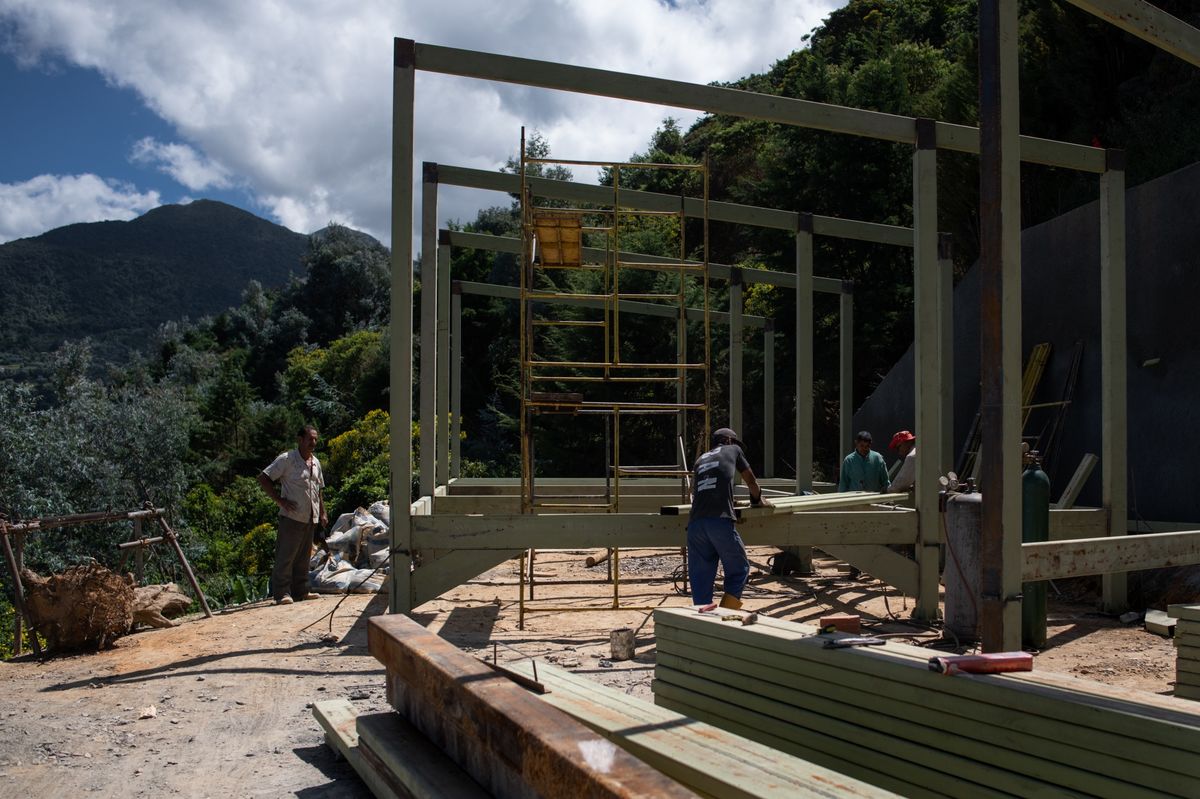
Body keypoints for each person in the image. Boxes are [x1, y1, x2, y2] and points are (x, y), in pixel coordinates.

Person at [687, 427, 772, 612]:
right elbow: (751, 480)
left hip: (695, 525)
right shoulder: (733, 449)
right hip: (719, 521)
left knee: (701, 577)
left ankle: (701, 618)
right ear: (727, 440)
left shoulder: (700, 459)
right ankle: (727, 612)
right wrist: (758, 500)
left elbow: (702, 489)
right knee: (739, 568)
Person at [258, 425, 328, 605]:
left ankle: (301, 590)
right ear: (300, 440)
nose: (313, 443)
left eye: (315, 439)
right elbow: (264, 478)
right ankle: (282, 593)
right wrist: (280, 501)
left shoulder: (316, 463)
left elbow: (318, 490)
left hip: (309, 517)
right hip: (292, 517)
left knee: (304, 556)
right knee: (286, 555)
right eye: (310, 439)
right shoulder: (287, 459)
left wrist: (322, 512)